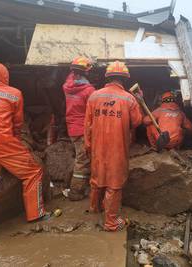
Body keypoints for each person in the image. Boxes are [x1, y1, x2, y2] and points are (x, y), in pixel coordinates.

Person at [0, 62, 46, 242]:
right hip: (4, 142)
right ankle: (35, 214)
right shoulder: (13, 93)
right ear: (4, 75)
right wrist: (17, 141)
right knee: (33, 172)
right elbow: (17, 123)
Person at [84, 61, 143, 231]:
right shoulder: (128, 98)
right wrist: (139, 102)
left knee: (97, 178)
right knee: (114, 183)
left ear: (107, 77)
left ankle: (95, 208)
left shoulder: (94, 96)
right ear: (124, 80)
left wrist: (87, 144)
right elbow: (137, 122)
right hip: (117, 147)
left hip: (96, 146)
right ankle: (111, 222)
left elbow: (87, 124)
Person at [63, 56, 95, 201]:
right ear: (87, 72)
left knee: (79, 156)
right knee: (83, 160)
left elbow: (74, 75)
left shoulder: (67, 85)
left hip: (71, 127)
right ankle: (76, 192)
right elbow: (94, 112)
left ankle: (68, 184)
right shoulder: (89, 91)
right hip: (83, 128)